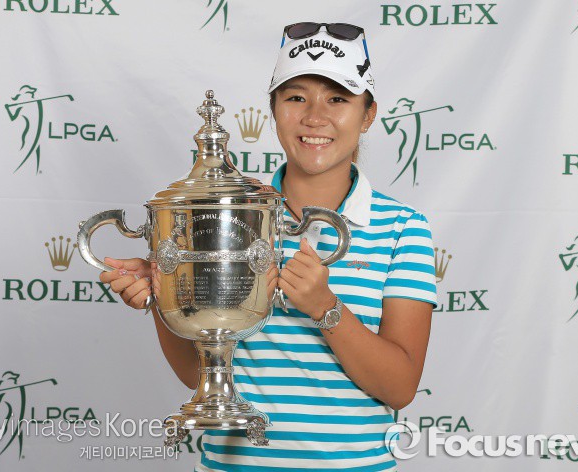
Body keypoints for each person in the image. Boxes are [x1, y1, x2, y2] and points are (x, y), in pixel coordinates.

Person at [99, 22, 437, 471]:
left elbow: (399, 388)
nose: (315, 117)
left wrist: (325, 307)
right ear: (274, 110)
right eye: (296, 97)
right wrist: (165, 296)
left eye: (338, 99)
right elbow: (199, 377)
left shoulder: (402, 229)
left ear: (368, 114)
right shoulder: (227, 216)